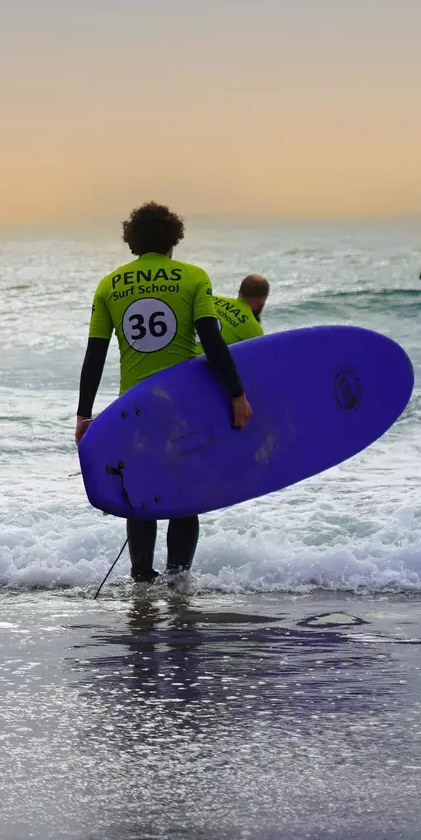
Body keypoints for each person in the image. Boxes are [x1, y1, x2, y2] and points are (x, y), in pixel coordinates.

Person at [76, 202, 251, 585]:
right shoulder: (193, 278)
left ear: (132, 241)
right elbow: (210, 337)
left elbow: (95, 353)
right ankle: (177, 581)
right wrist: (237, 393)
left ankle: (141, 579)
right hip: (182, 404)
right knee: (183, 496)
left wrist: (84, 414)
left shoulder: (109, 285)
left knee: (141, 495)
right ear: (174, 239)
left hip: (133, 408)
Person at [209, 274, 269, 345]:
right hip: (207, 356)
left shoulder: (211, 299)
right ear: (261, 301)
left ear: (240, 291)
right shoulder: (254, 329)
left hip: (192, 351)